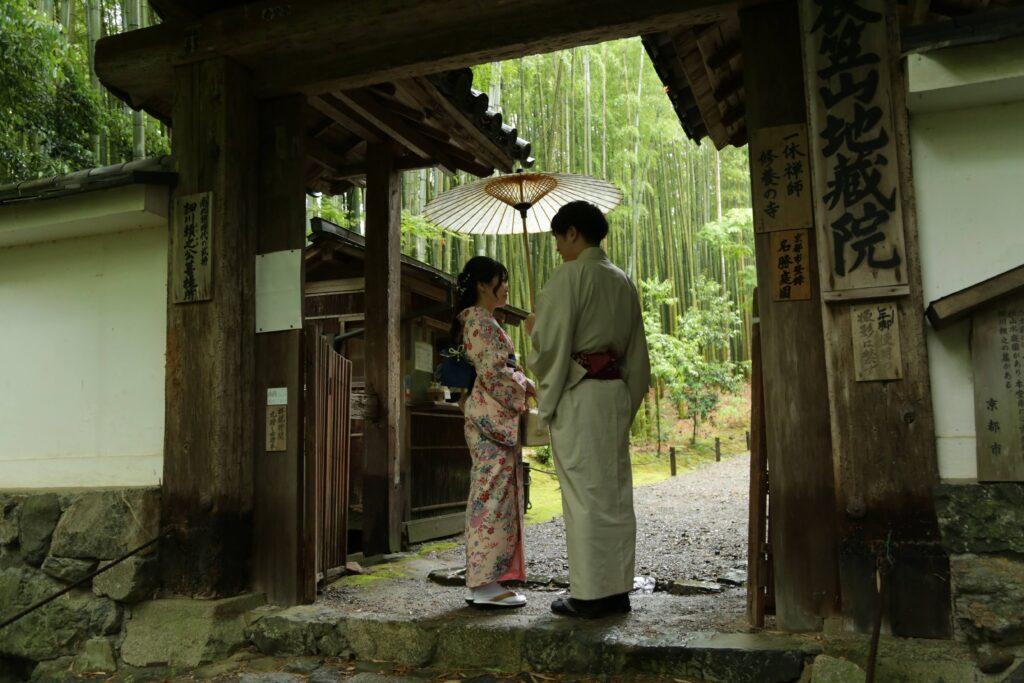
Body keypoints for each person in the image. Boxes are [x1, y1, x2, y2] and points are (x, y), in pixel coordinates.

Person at [526, 201, 651, 619]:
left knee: (584, 495)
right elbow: (637, 354)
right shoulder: (622, 281)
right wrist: (627, 400)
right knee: (613, 493)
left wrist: (534, 332)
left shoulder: (570, 276)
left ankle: (589, 594)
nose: (558, 247)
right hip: (613, 393)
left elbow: (549, 349)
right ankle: (616, 589)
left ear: (574, 233)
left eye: (559, 238)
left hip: (580, 394)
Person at [451, 256, 536, 609]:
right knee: (491, 499)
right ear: (484, 285)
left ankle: (484, 581)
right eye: (502, 280)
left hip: (488, 421)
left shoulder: (478, 321)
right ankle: (484, 582)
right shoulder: (480, 321)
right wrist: (524, 380)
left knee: (491, 497)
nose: (507, 288)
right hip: (491, 422)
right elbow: (495, 374)